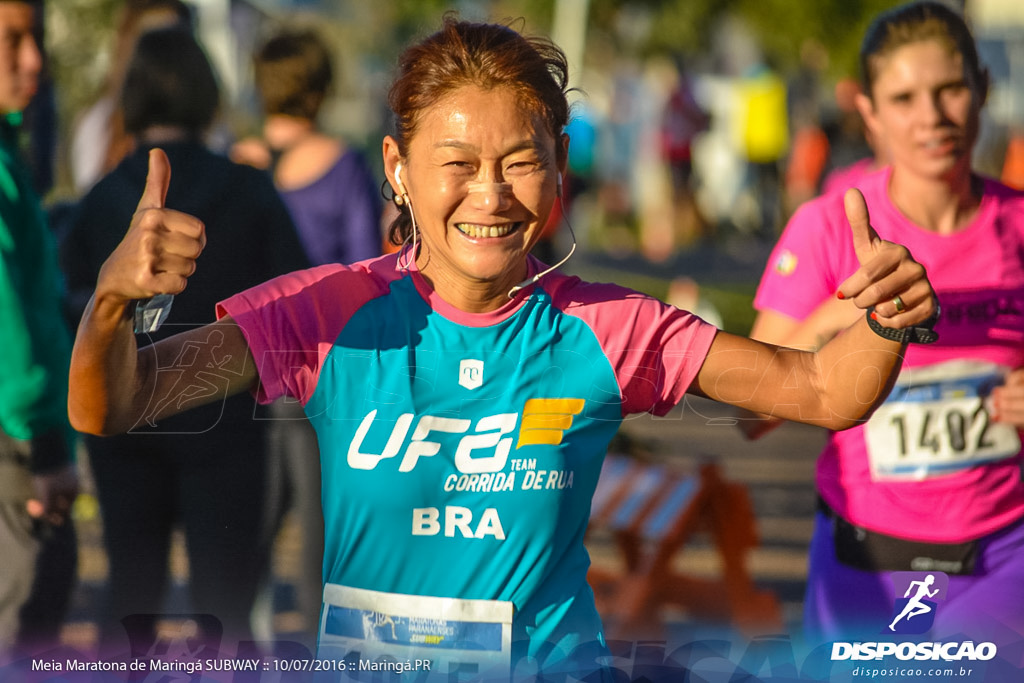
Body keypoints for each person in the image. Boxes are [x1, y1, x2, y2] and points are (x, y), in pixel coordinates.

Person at [67, 16, 937, 680]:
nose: (489, 193)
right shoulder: (326, 312)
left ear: (559, 166)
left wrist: (886, 319)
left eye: (520, 160)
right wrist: (110, 303)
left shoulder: (609, 328)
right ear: (398, 168)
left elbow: (822, 389)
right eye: (457, 162)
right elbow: (115, 402)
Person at [749, 1, 1024, 651]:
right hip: (864, 557)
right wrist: (853, 312)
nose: (931, 117)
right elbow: (751, 416)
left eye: (950, 89)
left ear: (982, 88)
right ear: (868, 114)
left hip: (1006, 552)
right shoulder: (827, 228)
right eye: (903, 98)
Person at [59, 27, 308, 658]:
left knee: (129, 604)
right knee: (227, 614)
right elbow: (297, 301)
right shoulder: (250, 189)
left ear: (132, 96)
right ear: (208, 94)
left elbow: (71, 309)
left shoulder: (99, 199)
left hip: (124, 431)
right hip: (225, 428)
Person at [231, 27, 384, 645]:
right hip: (320, 367)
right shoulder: (343, 164)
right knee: (320, 512)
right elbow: (364, 265)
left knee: (252, 511)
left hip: (242, 362)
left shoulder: (233, 164)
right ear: (318, 92)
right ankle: (319, 643)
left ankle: (251, 636)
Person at [0, 0, 79, 664]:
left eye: (35, 39)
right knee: (26, 629)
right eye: (11, 39)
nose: (33, 60)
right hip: (17, 445)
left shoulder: (9, 150)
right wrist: (45, 445)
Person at [232, 28, 383, 265]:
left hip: (254, 302)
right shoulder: (346, 164)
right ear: (322, 89)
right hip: (325, 301)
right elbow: (367, 261)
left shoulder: (234, 163)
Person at [68, 0, 191, 195]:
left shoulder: (212, 127)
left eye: (176, 42)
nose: (165, 57)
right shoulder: (97, 125)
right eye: (153, 43)